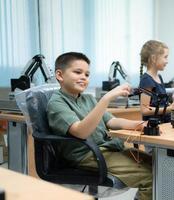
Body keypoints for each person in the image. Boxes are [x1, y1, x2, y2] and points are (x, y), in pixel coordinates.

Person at [47, 52, 152, 200]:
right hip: (87, 155)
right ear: (60, 75)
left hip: (106, 149)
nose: (84, 77)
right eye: (78, 72)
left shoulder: (88, 99)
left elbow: (111, 121)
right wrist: (106, 98)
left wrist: (139, 124)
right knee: (149, 177)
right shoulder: (56, 103)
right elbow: (80, 132)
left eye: (87, 74)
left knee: (159, 166)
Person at [139, 40, 174, 123]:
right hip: (154, 125)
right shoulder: (146, 80)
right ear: (153, 58)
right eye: (165, 57)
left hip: (164, 123)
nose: (167, 61)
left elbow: (161, 104)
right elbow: (145, 110)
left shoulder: (159, 77)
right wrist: (169, 109)